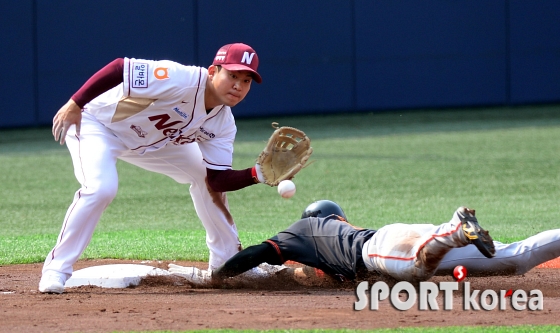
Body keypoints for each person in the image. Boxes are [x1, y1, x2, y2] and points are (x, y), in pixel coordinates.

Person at [39, 43, 273, 294]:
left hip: (153, 143)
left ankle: (227, 263)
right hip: (99, 125)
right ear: (213, 71)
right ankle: (56, 269)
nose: (238, 85)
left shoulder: (223, 124)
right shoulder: (181, 78)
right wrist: (75, 104)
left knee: (202, 176)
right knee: (101, 188)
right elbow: (120, 67)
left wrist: (257, 174)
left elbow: (217, 180)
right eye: (233, 75)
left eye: (246, 80)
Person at [168, 200, 560, 286]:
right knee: (518, 258)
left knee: (414, 272)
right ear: (337, 215)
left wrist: (220, 275)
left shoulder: (301, 231)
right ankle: (451, 232)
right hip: (406, 234)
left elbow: (255, 254)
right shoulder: (336, 227)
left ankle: (455, 229)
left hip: (382, 248)